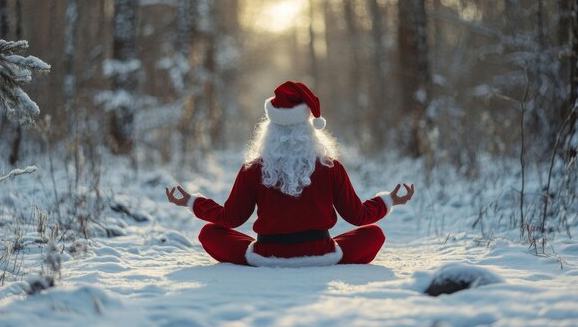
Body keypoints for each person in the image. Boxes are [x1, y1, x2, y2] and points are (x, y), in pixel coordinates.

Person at [166, 81, 415, 267]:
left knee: (210, 234)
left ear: (270, 130)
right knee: (373, 234)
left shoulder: (253, 169)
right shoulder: (330, 166)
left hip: (267, 255)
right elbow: (358, 216)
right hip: (321, 253)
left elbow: (230, 218)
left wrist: (190, 201)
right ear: (309, 128)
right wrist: (390, 199)